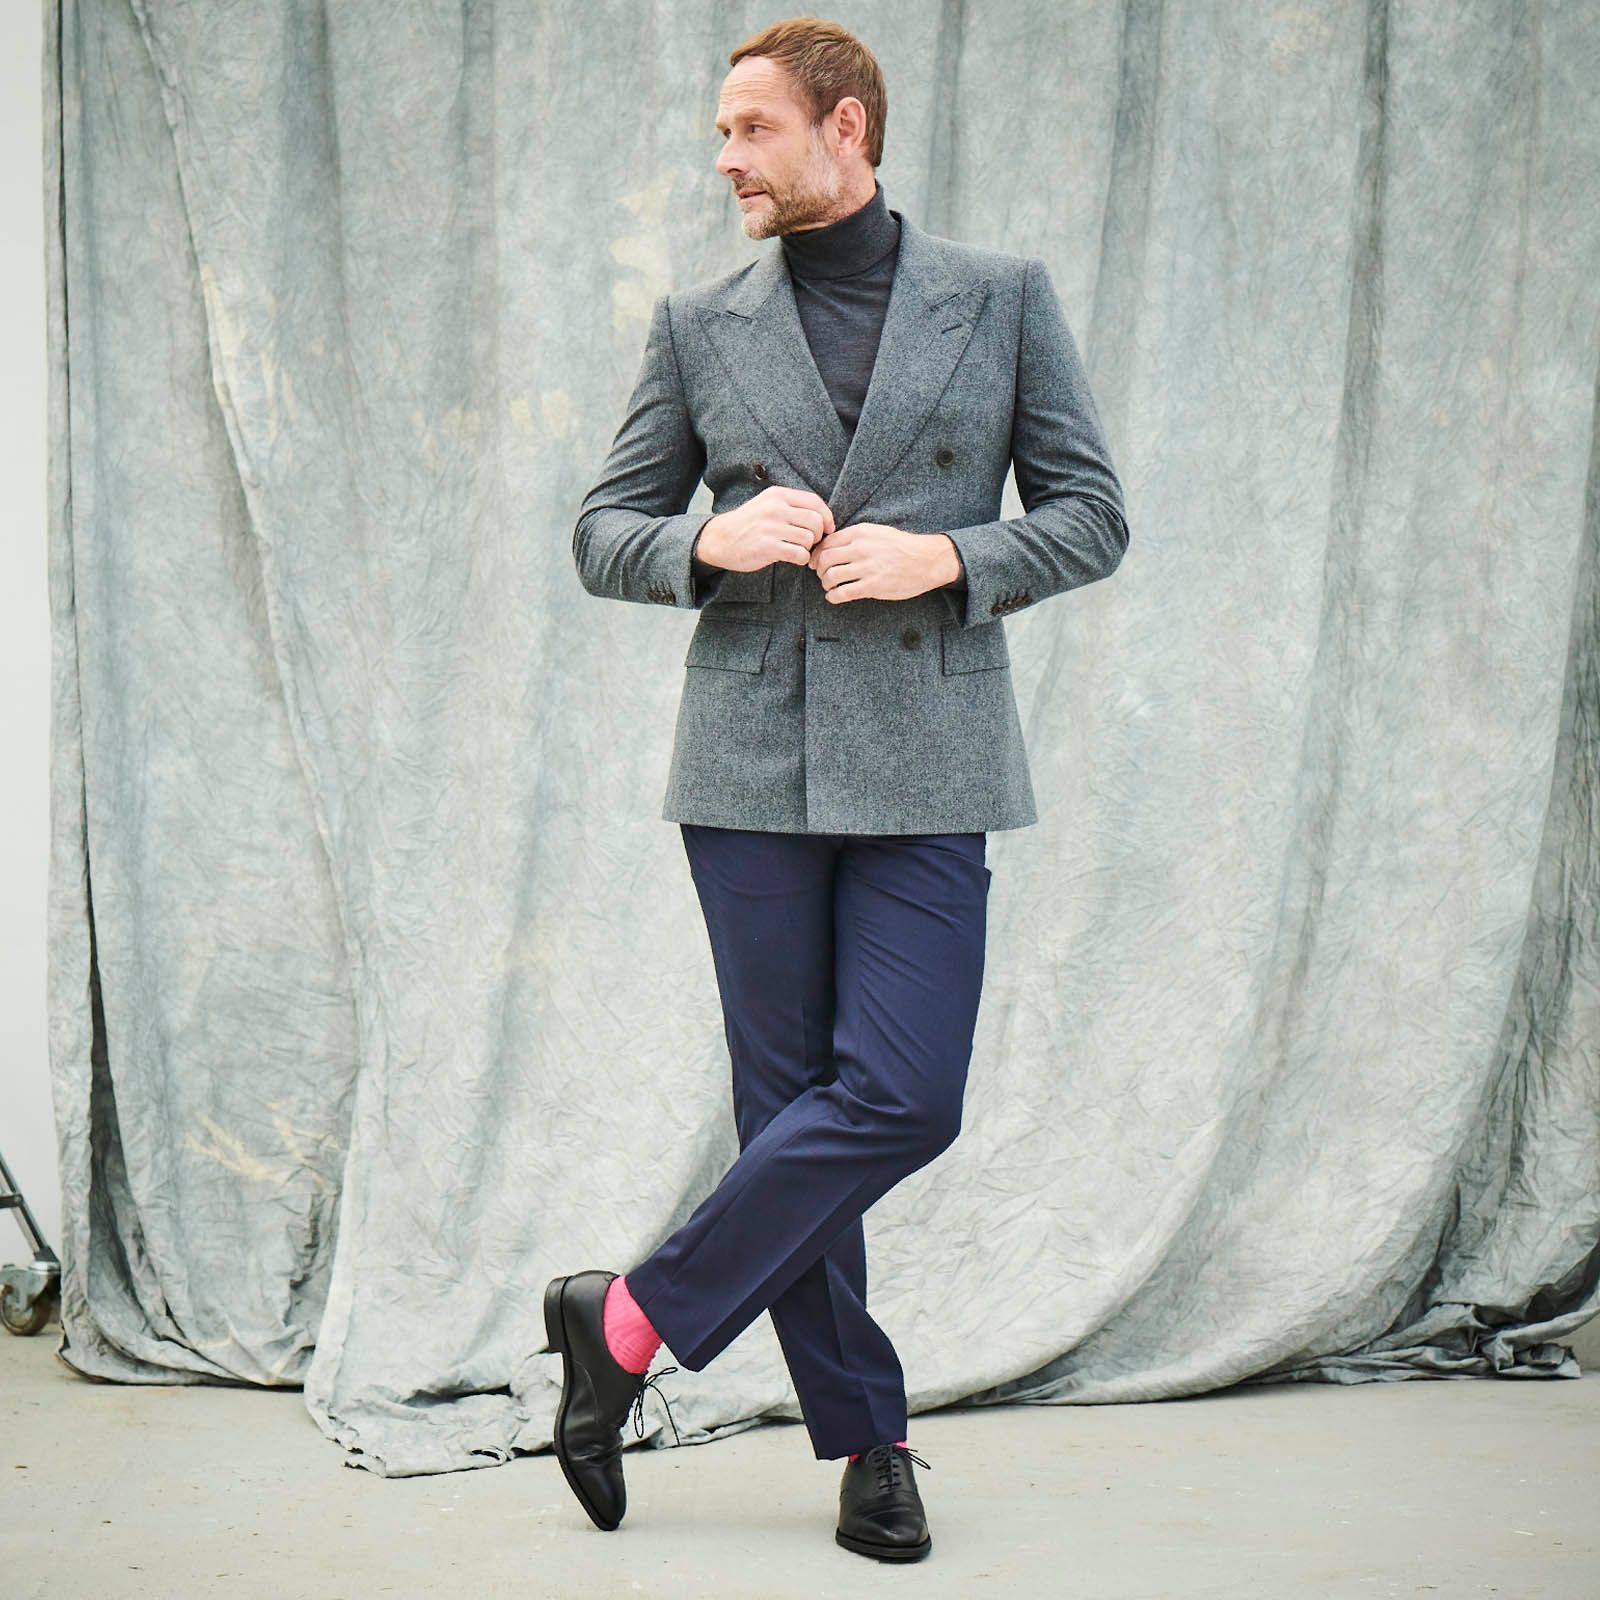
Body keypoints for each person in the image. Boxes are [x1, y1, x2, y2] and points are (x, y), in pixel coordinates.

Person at [548, 14, 1128, 1564]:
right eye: (720, 133)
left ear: (846, 129)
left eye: (750, 129)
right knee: (787, 1112)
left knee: (899, 1094)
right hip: (748, 766)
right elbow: (603, 528)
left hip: (930, 753)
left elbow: (1091, 515)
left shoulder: (998, 301)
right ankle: (869, 1439)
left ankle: (622, 1321)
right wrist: (702, 544)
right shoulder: (700, 321)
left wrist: (951, 557)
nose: (724, 157)